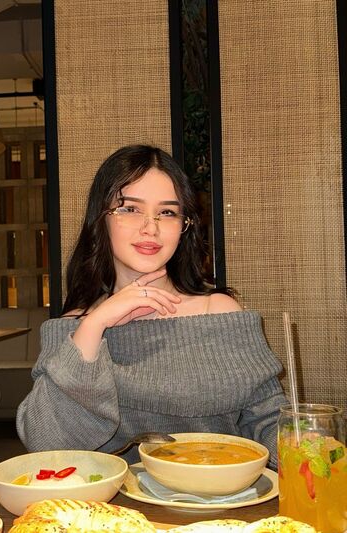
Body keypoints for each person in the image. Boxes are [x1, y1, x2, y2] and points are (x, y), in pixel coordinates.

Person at [17, 144, 286, 469]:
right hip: (114, 501)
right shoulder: (75, 327)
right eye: (130, 209)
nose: (150, 227)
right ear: (100, 219)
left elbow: (267, 420)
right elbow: (46, 446)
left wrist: (307, 450)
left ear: (184, 226)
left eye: (167, 212)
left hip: (220, 497)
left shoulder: (220, 311)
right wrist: (94, 326)